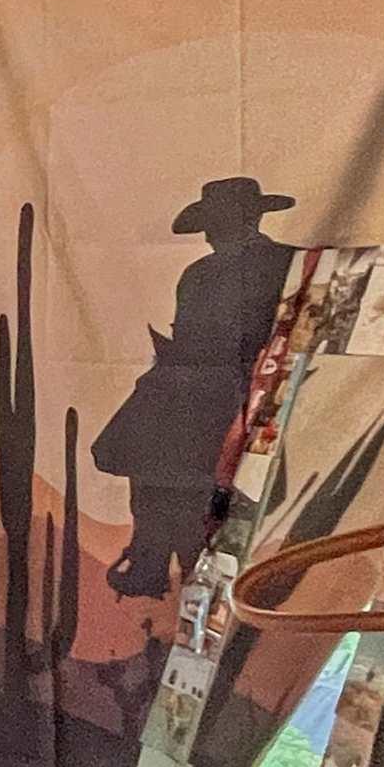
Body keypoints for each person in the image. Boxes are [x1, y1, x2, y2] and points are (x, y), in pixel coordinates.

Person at [93, 178, 298, 598]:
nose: (208, 234)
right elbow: (188, 336)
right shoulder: (200, 274)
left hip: (243, 388)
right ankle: (149, 553)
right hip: (194, 384)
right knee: (150, 444)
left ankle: (170, 561)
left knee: (201, 480)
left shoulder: (281, 263)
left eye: (214, 223)